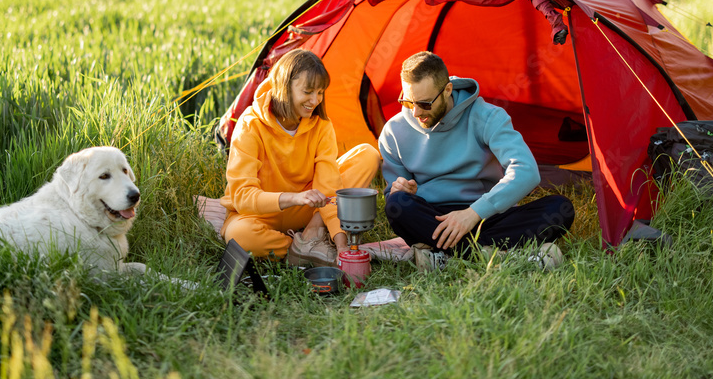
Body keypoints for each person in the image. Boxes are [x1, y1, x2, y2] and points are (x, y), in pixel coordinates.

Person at [379, 51, 573, 270]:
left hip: (487, 214)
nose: (415, 112)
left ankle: (448, 256)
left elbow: (526, 171)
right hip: (435, 219)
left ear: (447, 91)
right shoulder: (393, 131)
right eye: (407, 101)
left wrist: (472, 214)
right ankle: (497, 256)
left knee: (560, 207)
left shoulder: (488, 117)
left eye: (424, 104)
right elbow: (393, 196)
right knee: (398, 206)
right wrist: (402, 190)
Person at [221, 49, 381, 266]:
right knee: (239, 236)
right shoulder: (251, 125)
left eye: (320, 92)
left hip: (308, 209)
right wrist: (294, 198)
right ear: (285, 87)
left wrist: (341, 245)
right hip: (262, 214)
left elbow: (329, 190)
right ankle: (300, 247)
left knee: (367, 155)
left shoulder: (321, 125)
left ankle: (314, 233)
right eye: (307, 92)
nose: (315, 100)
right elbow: (242, 196)